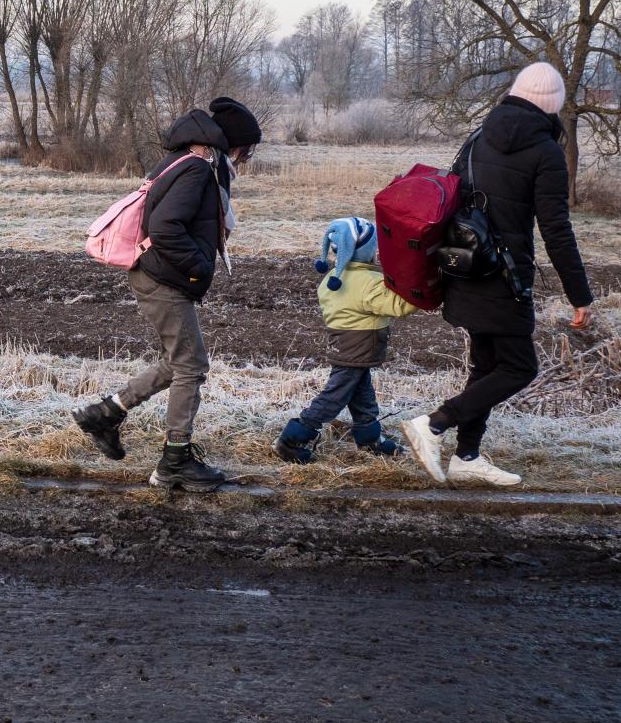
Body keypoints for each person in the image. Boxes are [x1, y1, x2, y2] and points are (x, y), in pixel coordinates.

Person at [400, 62, 594, 487]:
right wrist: (580, 295)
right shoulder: (546, 153)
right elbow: (557, 230)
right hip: (506, 277)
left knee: (486, 366)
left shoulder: (478, 137)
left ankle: (467, 456)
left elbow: (448, 201)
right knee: (520, 367)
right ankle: (433, 424)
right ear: (553, 106)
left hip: (464, 268)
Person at [71, 109, 230, 491]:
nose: (240, 159)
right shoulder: (194, 170)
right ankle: (175, 459)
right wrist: (199, 267)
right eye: (240, 151)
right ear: (212, 146)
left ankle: (105, 413)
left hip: (151, 275)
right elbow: (165, 227)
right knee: (191, 366)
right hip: (163, 279)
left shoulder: (173, 163)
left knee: (176, 362)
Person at [274, 216, 415, 463]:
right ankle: (292, 439)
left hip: (342, 343)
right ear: (367, 251)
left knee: (362, 393)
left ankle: (370, 438)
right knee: (335, 395)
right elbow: (398, 306)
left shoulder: (333, 279)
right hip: (358, 346)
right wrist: (418, 290)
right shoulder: (368, 283)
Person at [208, 96, 261, 272]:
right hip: (167, 279)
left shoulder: (210, 163)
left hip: (169, 275)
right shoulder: (209, 170)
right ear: (234, 143)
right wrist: (195, 267)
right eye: (247, 150)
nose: (246, 158)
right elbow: (168, 226)